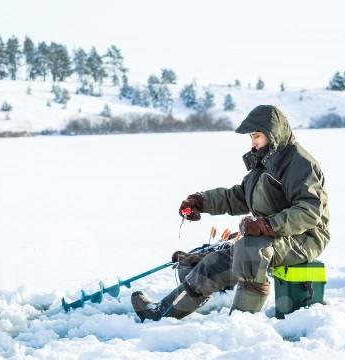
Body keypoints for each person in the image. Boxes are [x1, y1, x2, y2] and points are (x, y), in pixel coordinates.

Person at [131, 105, 330, 322]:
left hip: (305, 237)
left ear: (272, 133)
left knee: (249, 249)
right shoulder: (265, 162)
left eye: (257, 136)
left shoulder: (299, 163)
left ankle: (241, 323)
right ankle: (162, 312)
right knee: (214, 261)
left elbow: (310, 211)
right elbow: (237, 197)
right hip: (274, 234)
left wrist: (267, 225)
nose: (253, 142)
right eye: (251, 137)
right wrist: (200, 202)